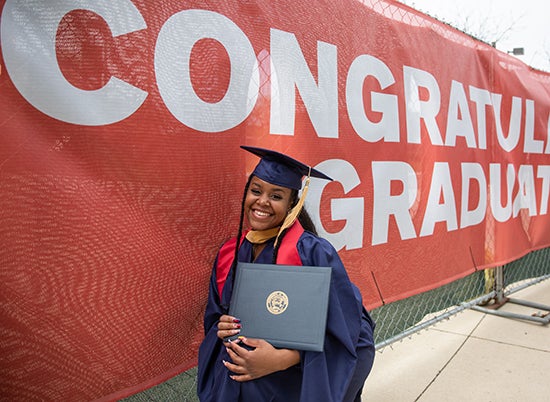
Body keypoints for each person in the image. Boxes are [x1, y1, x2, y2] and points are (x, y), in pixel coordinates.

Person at [197, 146, 375, 402]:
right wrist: (222, 327)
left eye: (276, 196)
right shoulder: (230, 252)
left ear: (293, 204)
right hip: (239, 380)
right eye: (256, 191)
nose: (262, 202)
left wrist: (281, 359)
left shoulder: (313, 253)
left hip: (295, 379)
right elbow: (215, 320)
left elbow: (349, 331)